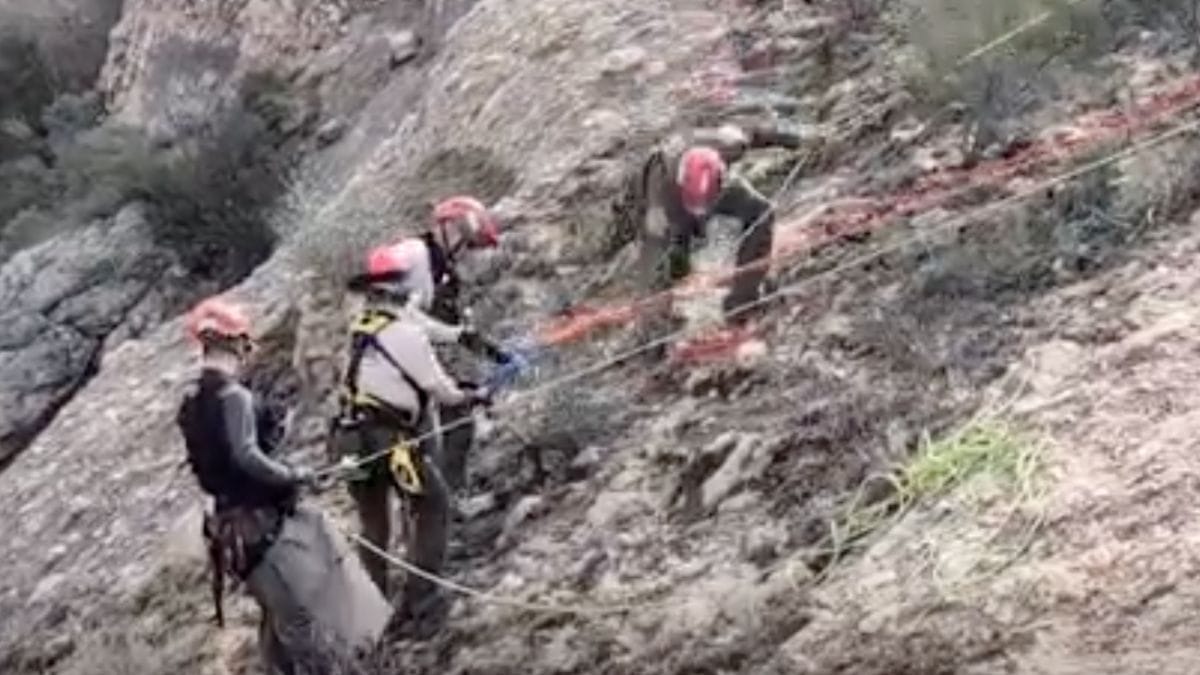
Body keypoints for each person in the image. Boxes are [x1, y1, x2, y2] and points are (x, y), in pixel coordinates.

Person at [176, 297, 391, 673]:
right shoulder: (234, 397)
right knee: (299, 620)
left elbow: (220, 463)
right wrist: (292, 474)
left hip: (231, 525)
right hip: (259, 526)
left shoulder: (192, 401)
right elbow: (246, 455)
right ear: (237, 342)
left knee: (278, 616)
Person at [332, 243, 492, 636]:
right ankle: (422, 601)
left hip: (349, 441)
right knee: (432, 506)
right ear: (399, 290)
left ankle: (371, 613)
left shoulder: (359, 328)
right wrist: (473, 395)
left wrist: (457, 337)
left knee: (373, 525)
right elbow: (439, 389)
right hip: (392, 440)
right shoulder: (405, 333)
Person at [371, 195, 515, 491]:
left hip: (393, 360)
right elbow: (405, 319)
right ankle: (448, 505)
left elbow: (422, 324)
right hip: (388, 365)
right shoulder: (415, 257)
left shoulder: (438, 270)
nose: (466, 255)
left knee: (450, 423)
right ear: (453, 230)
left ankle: (443, 504)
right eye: (468, 244)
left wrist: (480, 347)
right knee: (453, 422)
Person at [618, 123, 801, 324]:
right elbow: (651, 262)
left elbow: (756, 132)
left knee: (761, 212)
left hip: (708, 190)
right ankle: (664, 314)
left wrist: (794, 140)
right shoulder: (660, 198)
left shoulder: (730, 144)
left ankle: (742, 303)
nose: (702, 214)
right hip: (670, 201)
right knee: (674, 259)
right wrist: (651, 313)